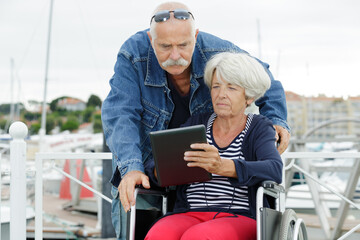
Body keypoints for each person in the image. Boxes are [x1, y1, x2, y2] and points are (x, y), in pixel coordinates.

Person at [101, 2, 289, 239]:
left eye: (183, 45)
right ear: (151, 40)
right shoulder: (134, 54)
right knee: (147, 225)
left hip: (237, 212)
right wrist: (136, 168)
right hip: (162, 167)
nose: (175, 55)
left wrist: (276, 120)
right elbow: (120, 113)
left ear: (195, 37)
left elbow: (264, 81)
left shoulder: (218, 52)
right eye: (165, 46)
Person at [144, 52, 283, 240]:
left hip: (239, 215)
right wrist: (159, 171)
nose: (221, 94)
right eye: (216, 86)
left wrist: (223, 166)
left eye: (231, 88)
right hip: (190, 212)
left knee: (198, 237)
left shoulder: (259, 126)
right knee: (158, 235)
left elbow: (274, 169)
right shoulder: (196, 124)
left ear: (249, 97)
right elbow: (157, 164)